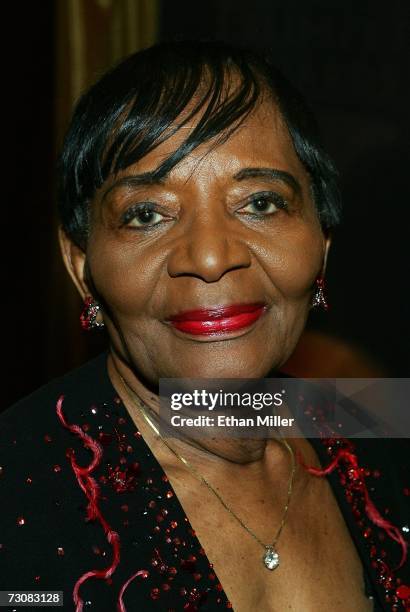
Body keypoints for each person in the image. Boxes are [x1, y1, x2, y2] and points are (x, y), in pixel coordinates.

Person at [0, 41, 409, 612]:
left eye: (261, 203)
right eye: (147, 214)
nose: (211, 256)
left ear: (323, 242)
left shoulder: (369, 419)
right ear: (81, 266)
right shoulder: (18, 490)